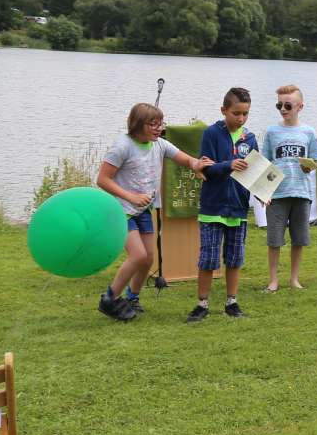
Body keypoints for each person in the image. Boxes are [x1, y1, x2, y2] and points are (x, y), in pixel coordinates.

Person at [96, 102, 208, 321]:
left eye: (161, 123)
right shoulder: (122, 146)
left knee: (148, 259)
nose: (159, 128)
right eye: (153, 124)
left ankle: (132, 298)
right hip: (122, 210)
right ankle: (109, 298)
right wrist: (131, 197)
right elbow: (102, 179)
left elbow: (184, 158)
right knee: (137, 255)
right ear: (138, 124)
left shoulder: (159, 145)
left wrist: (197, 165)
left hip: (143, 210)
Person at [189, 87, 258, 323]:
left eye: (245, 114)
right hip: (213, 208)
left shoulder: (250, 138)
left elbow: (255, 172)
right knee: (208, 258)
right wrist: (228, 165)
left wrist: (263, 192)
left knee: (235, 257)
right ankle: (202, 304)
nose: (240, 118)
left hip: (238, 208)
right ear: (223, 110)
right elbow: (206, 168)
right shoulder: (211, 134)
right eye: (236, 113)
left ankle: (232, 302)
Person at [260, 84, 317, 292]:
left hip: (301, 192)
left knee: (299, 239)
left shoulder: (309, 132)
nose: (283, 109)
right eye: (279, 105)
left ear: (300, 107)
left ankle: (294, 279)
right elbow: (266, 164)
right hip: (277, 194)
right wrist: (264, 192)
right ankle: (273, 280)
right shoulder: (271, 131)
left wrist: (308, 167)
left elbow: (314, 163)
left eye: (288, 105)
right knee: (274, 240)